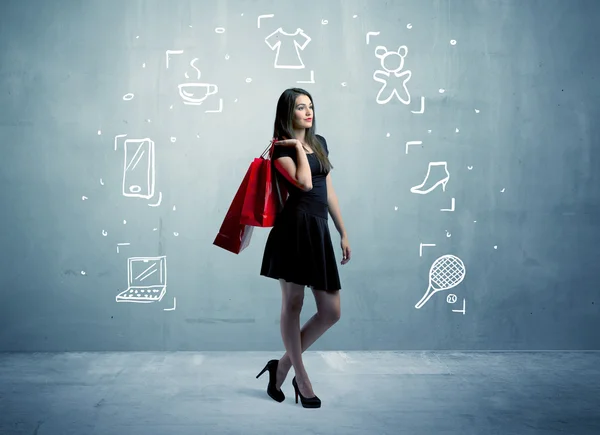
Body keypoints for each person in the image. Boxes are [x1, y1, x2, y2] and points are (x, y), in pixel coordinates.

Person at [256, 88, 352, 408]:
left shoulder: (320, 142)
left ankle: (281, 366)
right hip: (293, 231)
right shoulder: (280, 152)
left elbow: (328, 190)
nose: (308, 112)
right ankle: (303, 377)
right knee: (293, 305)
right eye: (300, 107)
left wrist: (342, 232)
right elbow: (306, 183)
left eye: (310, 106)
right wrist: (297, 146)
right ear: (288, 113)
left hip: (318, 230)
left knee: (331, 312)